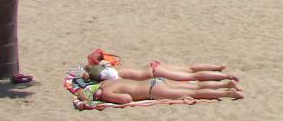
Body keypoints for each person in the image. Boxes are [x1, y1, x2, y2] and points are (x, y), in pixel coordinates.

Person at [75, 78, 243, 104]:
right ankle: (225, 84)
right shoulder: (106, 82)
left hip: (153, 90)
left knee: (196, 93)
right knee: (195, 87)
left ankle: (227, 93)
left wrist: (105, 100)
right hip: (155, 81)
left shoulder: (105, 93)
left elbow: (126, 99)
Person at [84, 60, 238, 83]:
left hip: (154, 73)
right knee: (190, 69)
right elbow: (98, 65)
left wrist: (89, 77)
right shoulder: (109, 67)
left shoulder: (113, 77)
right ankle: (218, 68)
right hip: (153, 66)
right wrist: (88, 70)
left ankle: (225, 76)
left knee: (192, 76)